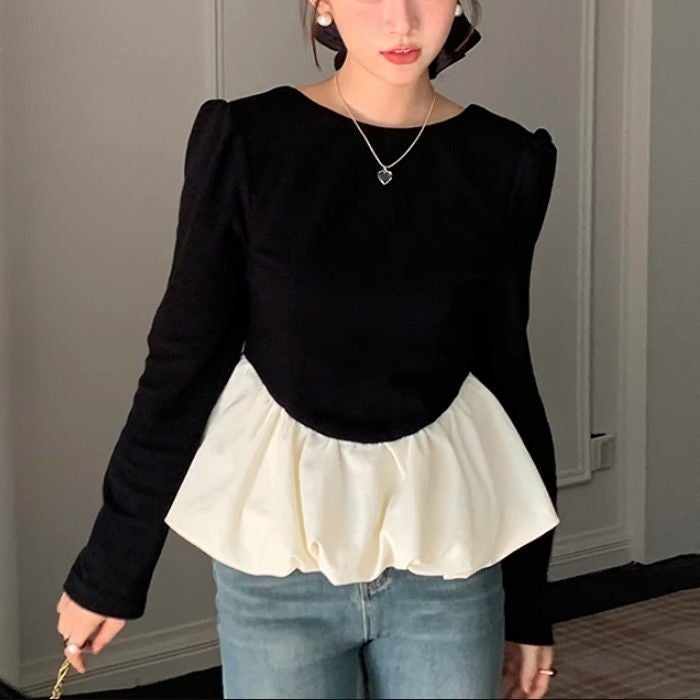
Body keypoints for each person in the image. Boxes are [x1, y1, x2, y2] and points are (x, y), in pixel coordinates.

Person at [56, 1, 562, 698]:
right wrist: (111, 569)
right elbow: (182, 364)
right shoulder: (248, 141)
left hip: (447, 562)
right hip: (278, 574)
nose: (401, 20)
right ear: (323, 1)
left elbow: (506, 377)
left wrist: (530, 602)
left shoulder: (505, 159)